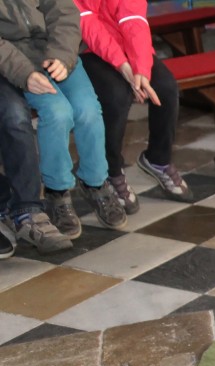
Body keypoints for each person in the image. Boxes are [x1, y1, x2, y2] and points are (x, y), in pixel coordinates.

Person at [0, 0, 127, 246]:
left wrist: (62, 55)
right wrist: (24, 73)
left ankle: (96, 182)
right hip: (19, 61)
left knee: (88, 111)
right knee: (57, 113)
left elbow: (65, 12)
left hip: (57, 49)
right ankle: (57, 191)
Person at [75, 0, 192, 212]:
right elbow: (87, 22)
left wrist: (141, 70)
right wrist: (122, 66)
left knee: (165, 88)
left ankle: (157, 159)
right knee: (116, 96)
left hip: (127, 45)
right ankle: (111, 170)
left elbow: (134, 19)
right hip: (87, 47)